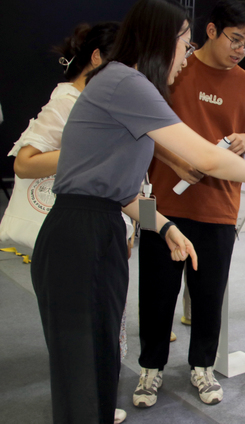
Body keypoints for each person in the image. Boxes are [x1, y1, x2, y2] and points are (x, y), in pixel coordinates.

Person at [30, 1, 245, 423]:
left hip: (100, 226)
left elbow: (111, 186)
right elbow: (205, 158)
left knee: (98, 364)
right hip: (82, 235)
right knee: (82, 369)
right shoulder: (126, 83)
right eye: (184, 45)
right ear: (161, 42)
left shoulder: (123, 83)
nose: (185, 57)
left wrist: (164, 225)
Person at [134, 0, 245, 408]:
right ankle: (150, 369)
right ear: (210, 31)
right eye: (235, 39)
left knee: (209, 295)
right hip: (162, 206)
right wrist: (176, 162)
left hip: (219, 207)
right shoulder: (176, 71)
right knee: (156, 293)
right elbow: (144, 129)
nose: (240, 49)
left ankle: (202, 367)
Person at [1, 22, 128, 424]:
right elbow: (24, 162)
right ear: (96, 58)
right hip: (72, 228)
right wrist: (85, 149)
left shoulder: (104, 102)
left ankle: (98, 403)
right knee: (80, 339)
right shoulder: (68, 100)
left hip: (106, 225)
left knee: (103, 332)